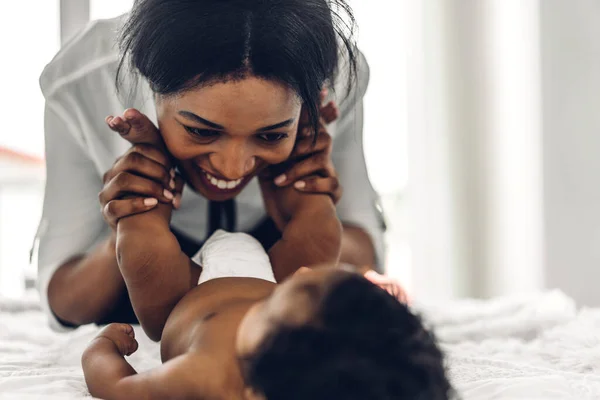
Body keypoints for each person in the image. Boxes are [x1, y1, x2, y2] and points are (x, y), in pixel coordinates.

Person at [37, 0, 388, 332]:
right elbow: (62, 303)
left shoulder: (337, 74)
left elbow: (367, 256)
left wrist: (309, 209)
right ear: (148, 83)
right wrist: (129, 227)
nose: (233, 169)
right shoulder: (80, 81)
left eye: (271, 136)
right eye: (201, 131)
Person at [82, 228, 451, 400]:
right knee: (315, 225)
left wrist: (103, 346)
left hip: (190, 289)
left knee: (141, 236)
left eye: (275, 303)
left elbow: (116, 387)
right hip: (260, 263)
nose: (303, 272)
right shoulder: (296, 350)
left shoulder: (204, 374)